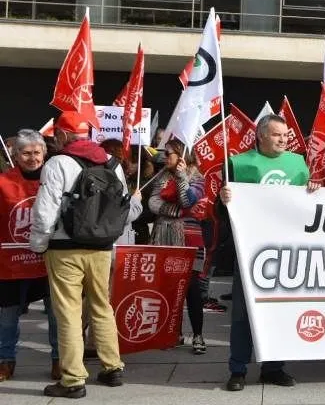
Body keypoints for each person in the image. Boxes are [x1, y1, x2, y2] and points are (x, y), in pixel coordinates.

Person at [29, 111, 142, 399]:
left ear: (63, 135)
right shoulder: (112, 163)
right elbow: (122, 209)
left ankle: (72, 380)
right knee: (102, 306)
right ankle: (112, 367)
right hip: (102, 247)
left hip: (64, 248)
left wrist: (39, 244)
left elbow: (45, 212)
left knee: (68, 312)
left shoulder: (57, 163)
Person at [219, 114, 320, 392]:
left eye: (286, 135)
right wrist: (223, 200)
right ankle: (238, 369)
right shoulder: (238, 164)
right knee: (243, 314)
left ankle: (273, 368)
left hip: (286, 252)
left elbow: (305, 206)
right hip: (250, 252)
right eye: (277, 135)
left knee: (279, 311)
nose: (283, 140)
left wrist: (314, 190)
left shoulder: (298, 163)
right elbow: (222, 211)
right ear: (261, 135)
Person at [0, 130, 59, 382]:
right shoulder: (3, 182)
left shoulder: (54, 178)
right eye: (26, 153)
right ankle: (5, 361)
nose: (32, 158)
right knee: (7, 316)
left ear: (44, 153)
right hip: (11, 262)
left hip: (49, 260)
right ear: (15, 154)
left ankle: (59, 359)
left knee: (56, 314)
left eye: (36, 152)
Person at [148, 139, 207, 354]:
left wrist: (182, 177)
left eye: (169, 153)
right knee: (169, 286)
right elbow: (152, 203)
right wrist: (174, 211)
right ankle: (174, 333)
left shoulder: (197, 177)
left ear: (182, 155)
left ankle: (198, 335)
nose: (165, 157)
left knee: (192, 287)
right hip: (164, 235)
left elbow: (188, 201)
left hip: (189, 238)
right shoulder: (161, 176)